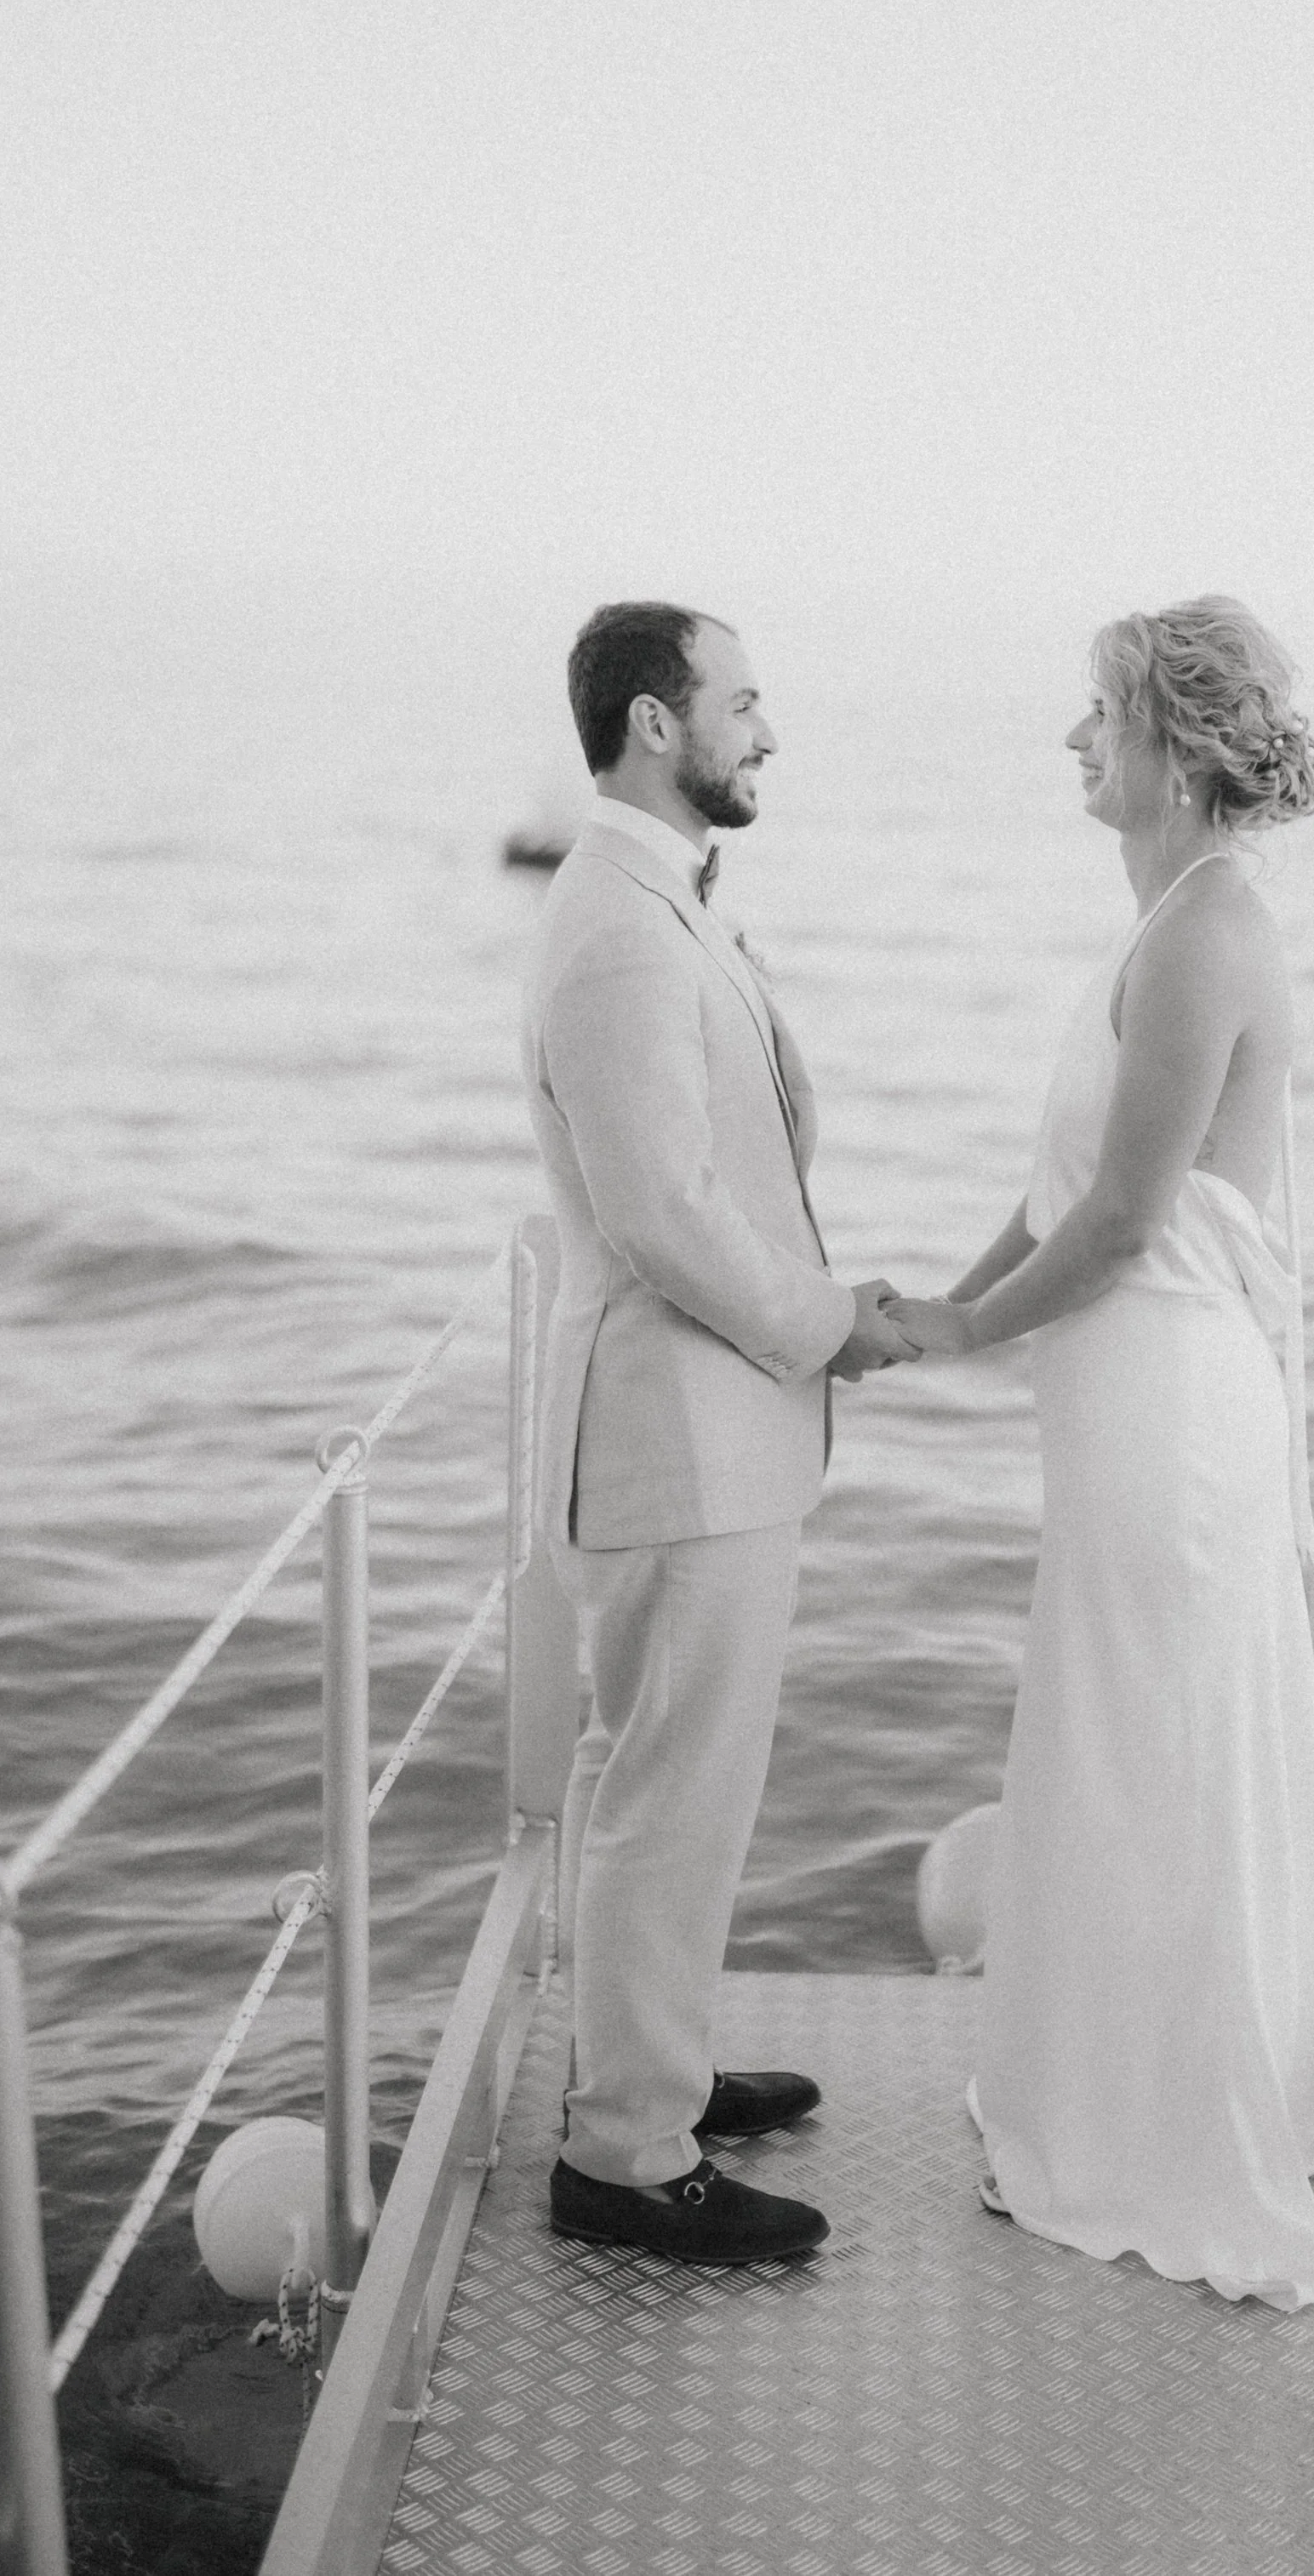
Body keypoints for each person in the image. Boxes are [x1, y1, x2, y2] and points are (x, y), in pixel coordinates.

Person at [888, 595, 1314, 2311]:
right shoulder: (1159, 922)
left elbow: (1116, 1224)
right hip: (1115, 1409)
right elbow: (1043, 1196)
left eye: (1096, 714)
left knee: (1151, 1759)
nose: (1072, 740)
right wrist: (918, 1307)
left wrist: (951, 1335)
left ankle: (1160, 2137)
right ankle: (1095, 2097)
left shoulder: (1200, 939)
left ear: (1167, 746)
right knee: (1114, 1748)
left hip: (1168, 1417)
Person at [519, 600, 920, 2265]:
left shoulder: (656, 905)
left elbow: (732, 1164)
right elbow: (664, 1216)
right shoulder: (615, 925)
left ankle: (655, 2078)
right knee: (666, 1796)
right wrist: (830, 1325)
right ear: (654, 726)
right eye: (741, 702)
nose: (766, 730)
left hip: (717, 1432)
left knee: (689, 1786)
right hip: (675, 1437)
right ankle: (622, 2157)